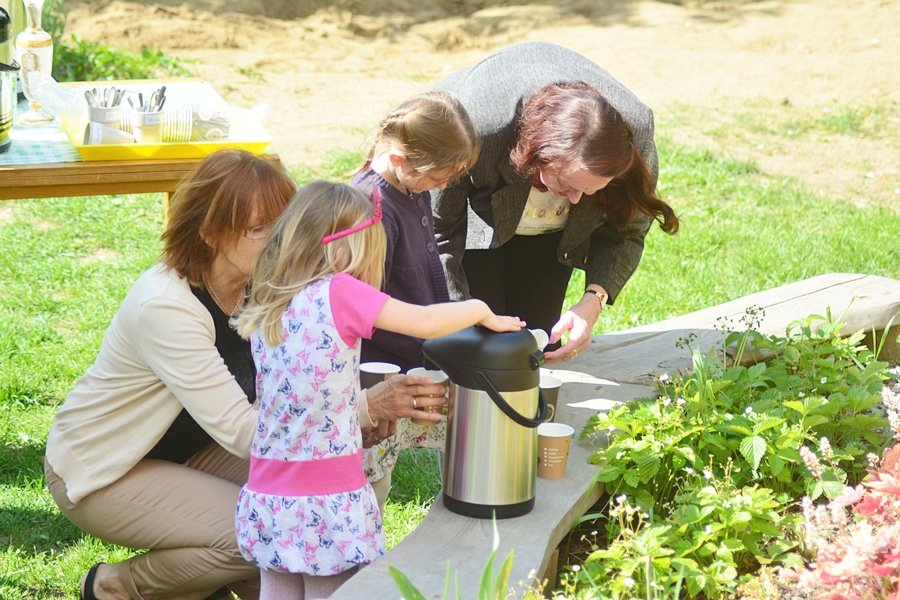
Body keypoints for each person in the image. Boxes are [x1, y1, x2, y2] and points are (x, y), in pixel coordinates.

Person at [42, 150, 434, 600]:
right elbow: (246, 432)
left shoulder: (267, 285)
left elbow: (296, 390)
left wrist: (344, 425)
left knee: (336, 483)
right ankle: (118, 587)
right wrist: (364, 408)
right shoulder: (166, 307)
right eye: (259, 228)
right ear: (210, 232)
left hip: (199, 449)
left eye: (282, 223)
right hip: (109, 469)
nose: (277, 239)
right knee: (260, 529)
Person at [232, 181, 523, 600]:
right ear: (344, 250)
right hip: (325, 495)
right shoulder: (339, 292)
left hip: (268, 490)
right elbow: (423, 323)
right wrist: (480, 309)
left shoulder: (268, 303)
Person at [431, 42, 680, 363]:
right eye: (567, 184)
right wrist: (456, 316)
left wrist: (593, 300)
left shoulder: (633, 132)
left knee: (531, 349)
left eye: (591, 190)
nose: (577, 200)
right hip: (478, 213)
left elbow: (627, 230)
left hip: (549, 237)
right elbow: (440, 228)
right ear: (538, 154)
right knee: (476, 346)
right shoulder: (476, 125)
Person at [350, 91, 478, 504]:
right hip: (374, 372)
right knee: (371, 478)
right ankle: (363, 551)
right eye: (438, 176)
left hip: (408, 358)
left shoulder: (410, 188)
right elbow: (363, 309)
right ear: (400, 156)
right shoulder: (372, 212)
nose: (442, 186)